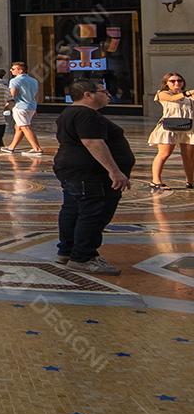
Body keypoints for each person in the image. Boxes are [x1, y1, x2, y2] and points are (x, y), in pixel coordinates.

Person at [52, 78, 133, 275]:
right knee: (94, 212)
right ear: (88, 95)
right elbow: (93, 142)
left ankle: (68, 250)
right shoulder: (86, 114)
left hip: (73, 169)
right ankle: (83, 257)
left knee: (73, 208)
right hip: (88, 172)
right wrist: (114, 171)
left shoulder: (70, 112)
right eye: (103, 91)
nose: (108, 95)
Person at [147, 71, 194, 191]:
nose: (176, 83)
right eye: (172, 81)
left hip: (188, 127)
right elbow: (172, 99)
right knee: (164, 154)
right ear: (166, 83)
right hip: (169, 127)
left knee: (189, 156)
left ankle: (190, 181)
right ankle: (155, 180)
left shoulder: (189, 96)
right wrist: (188, 93)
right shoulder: (163, 93)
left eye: (179, 80)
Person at [5, 61, 45, 157]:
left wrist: (6, 105)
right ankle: (11, 147)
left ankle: (37, 149)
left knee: (25, 127)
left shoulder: (14, 81)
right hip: (31, 106)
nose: (11, 70)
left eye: (13, 69)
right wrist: (35, 107)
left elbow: (12, 95)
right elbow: (37, 95)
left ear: (20, 70)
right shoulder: (34, 80)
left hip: (20, 107)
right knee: (19, 127)